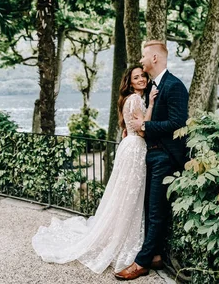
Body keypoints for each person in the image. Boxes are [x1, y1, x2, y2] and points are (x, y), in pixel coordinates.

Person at [32, 65, 158, 274]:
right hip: (135, 147)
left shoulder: (129, 99)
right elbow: (143, 130)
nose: (141, 80)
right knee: (130, 197)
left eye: (143, 76)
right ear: (130, 81)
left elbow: (129, 127)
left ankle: (119, 233)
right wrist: (152, 103)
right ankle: (123, 240)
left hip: (129, 147)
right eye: (136, 77)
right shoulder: (136, 100)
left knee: (124, 195)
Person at [114, 40, 189, 280]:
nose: (142, 60)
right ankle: (155, 254)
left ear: (154, 58)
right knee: (147, 208)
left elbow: (179, 124)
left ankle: (142, 263)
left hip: (164, 157)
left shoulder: (174, 85)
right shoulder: (153, 87)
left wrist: (145, 125)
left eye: (144, 56)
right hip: (149, 155)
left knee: (156, 211)